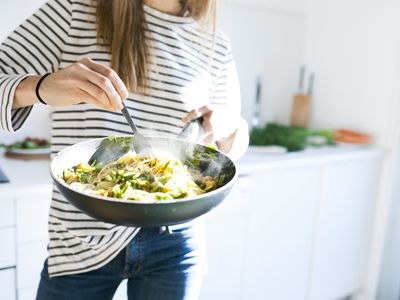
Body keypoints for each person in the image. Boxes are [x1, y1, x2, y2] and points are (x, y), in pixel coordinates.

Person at [0, 0, 248, 299]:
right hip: (82, 239)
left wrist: (229, 127)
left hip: (177, 238)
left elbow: (234, 142)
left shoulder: (215, 43)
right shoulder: (72, 11)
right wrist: (39, 87)